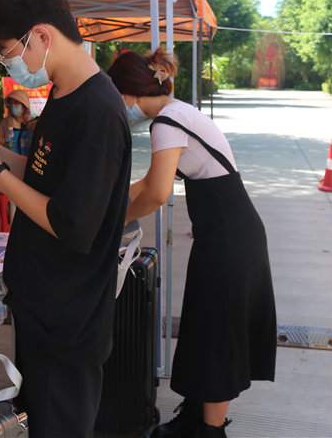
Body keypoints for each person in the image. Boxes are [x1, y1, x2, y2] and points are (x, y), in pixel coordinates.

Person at [0, 0, 132, 438]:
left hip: (68, 321)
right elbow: (47, 174)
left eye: (7, 54)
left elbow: (71, 223)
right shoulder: (63, 92)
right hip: (42, 307)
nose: (8, 66)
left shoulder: (98, 112)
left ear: (41, 36)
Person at [107, 49, 276, 438]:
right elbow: (149, 183)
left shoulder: (166, 122)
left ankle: (210, 432)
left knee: (218, 333)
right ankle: (194, 417)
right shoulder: (177, 112)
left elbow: (157, 193)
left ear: (126, 92)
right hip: (228, 233)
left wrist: (113, 225)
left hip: (228, 238)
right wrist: (109, 203)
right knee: (204, 327)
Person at [0, 89, 32, 153]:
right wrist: (0, 143)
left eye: (16, 103)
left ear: (24, 105)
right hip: (9, 158)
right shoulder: (5, 123)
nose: (13, 106)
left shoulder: (34, 122)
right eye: (11, 103)